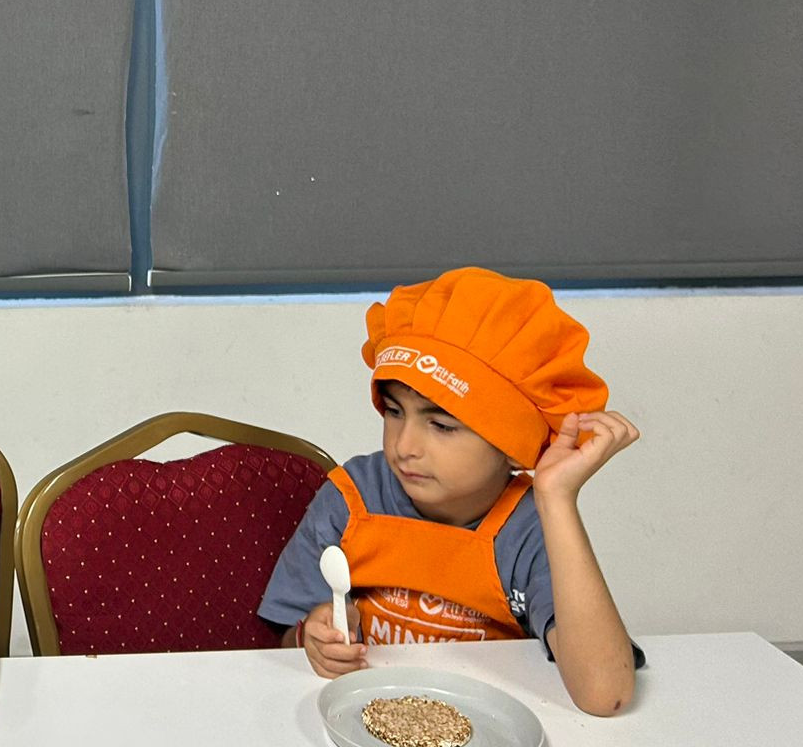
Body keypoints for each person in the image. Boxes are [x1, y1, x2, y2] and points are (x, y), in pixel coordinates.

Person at [258, 267, 642, 716]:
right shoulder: (350, 499)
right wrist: (314, 638)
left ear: (511, 445)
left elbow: (605, 694)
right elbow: (283, 638)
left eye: (441, 425)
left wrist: (557, 499)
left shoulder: (530, 528)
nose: (405, 446)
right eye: (394, 412)